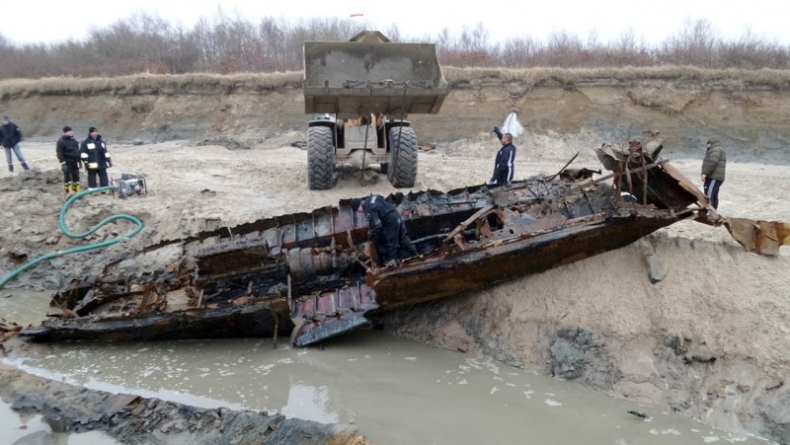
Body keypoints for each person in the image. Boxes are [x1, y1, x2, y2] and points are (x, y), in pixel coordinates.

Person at [351, 195, 417, 267]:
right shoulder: (371, 198)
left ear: (359, 207)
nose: (360, 212)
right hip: (397, 216)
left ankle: (392, 262)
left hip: (390, 222)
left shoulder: (368, 209)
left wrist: (371, 236)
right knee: (404, 238)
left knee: (391, 242)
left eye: (358, 211)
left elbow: (377, 226)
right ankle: (415, 254)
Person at [80, 126, 112, 191]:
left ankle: (105, 190)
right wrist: (86, 163)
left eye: (96, 132)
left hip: (102, 163)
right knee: (92, 179)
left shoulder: (101, 141)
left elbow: (105, 152)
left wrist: (109, 160)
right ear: (90, 133)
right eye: (93, 132)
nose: (95, 133)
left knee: (104, 177)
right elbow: (83, 154)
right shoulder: (85, 142)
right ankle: (92, 191)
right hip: (92, 164)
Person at [701, 139, 726, 211]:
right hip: (714, 177)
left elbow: (713, 162)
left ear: (711, 143)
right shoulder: (717, 150)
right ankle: (713, 212)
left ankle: (709, 213)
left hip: (714, 177)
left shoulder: (715, 150)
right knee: (714, 195)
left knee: (709, 195)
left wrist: (705, 173)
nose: (706, 145)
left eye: (707, 143)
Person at [56, 126, 81, 194]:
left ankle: (77, 189)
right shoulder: (61, 141)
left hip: (74, 161)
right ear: (65, 132)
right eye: (70, 131)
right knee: (68, 177)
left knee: (76, 176)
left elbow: (77, 151)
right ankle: (68, 191)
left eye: (72, 131)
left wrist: (79, 161)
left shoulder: (74, 140)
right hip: (67, 162)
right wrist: (63, 164)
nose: (72, 132)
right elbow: (59, 153)